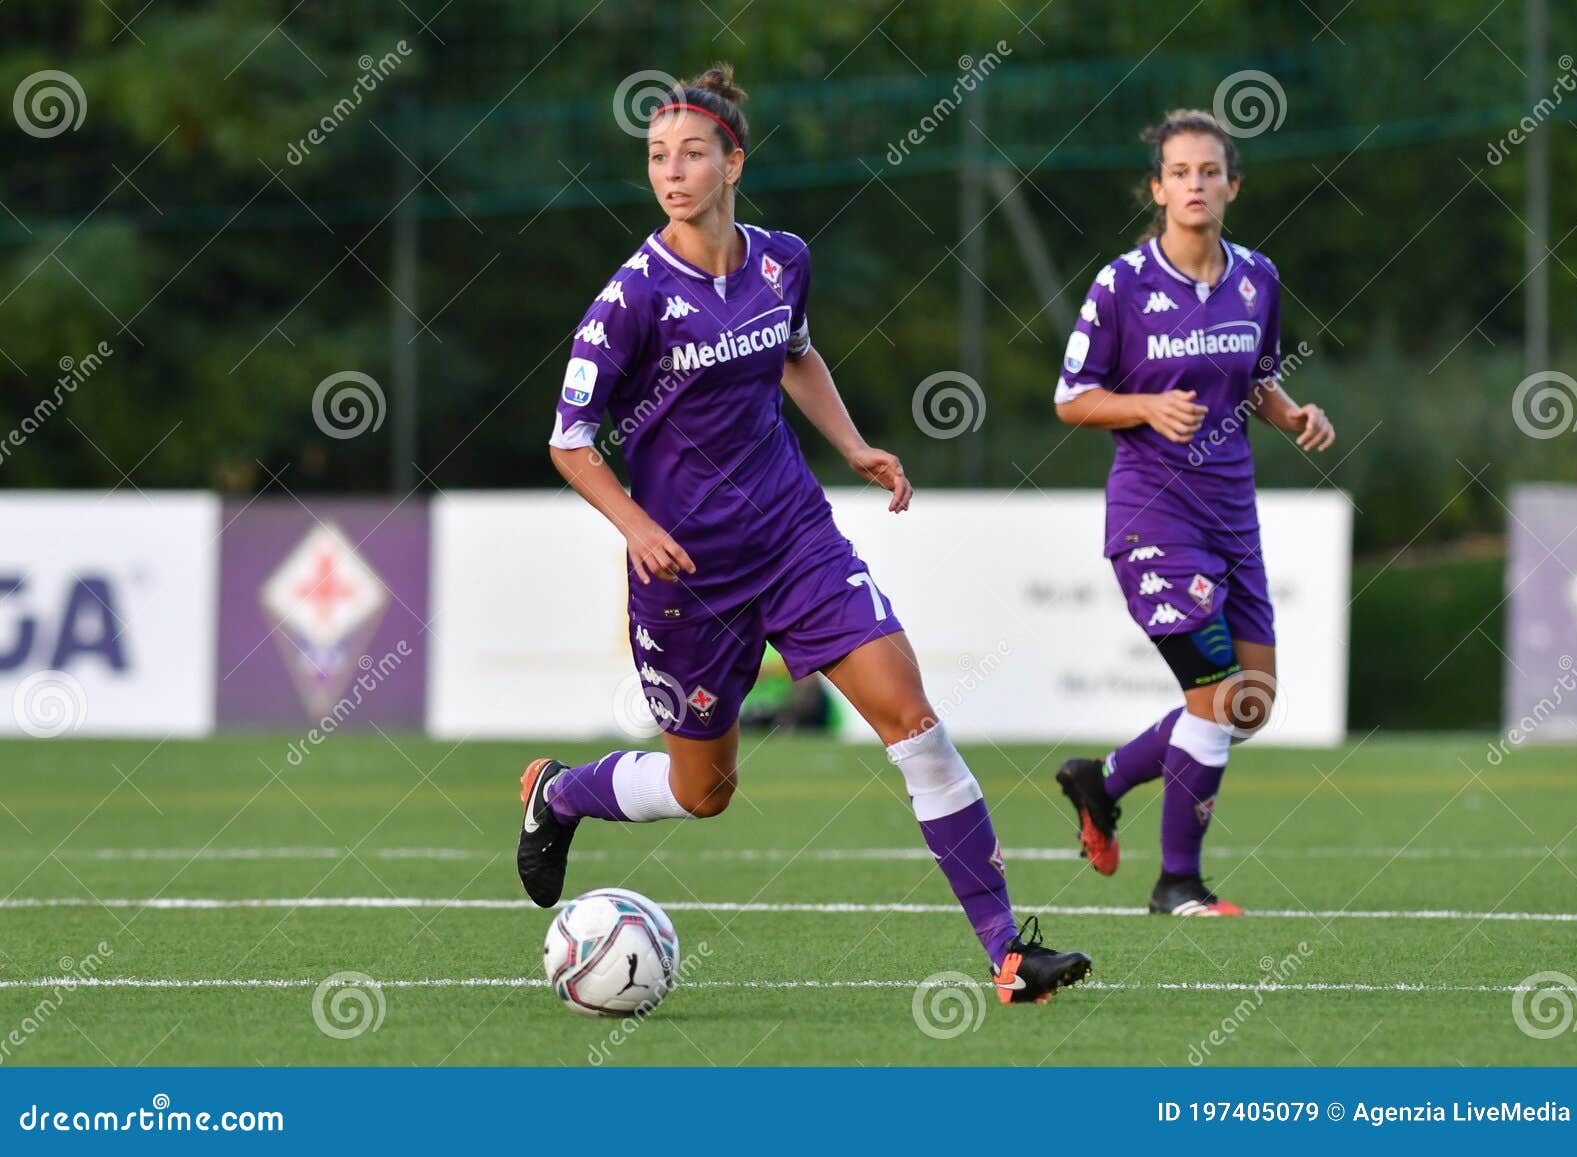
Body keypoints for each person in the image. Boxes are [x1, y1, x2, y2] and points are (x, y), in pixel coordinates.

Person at [522, 63, 1090, 1002]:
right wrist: (635, 522)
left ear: (732, 162)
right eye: (658, 156)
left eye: (692, 154)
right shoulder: (631, 298)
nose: (672, 171)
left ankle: (1007, 952)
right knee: (704, 791)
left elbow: (795, 353)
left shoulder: (781, 259)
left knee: (914, 724)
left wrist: (856, 446)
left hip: (794, 538)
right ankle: (561, 791)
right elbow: (569, 439)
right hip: (689, 576)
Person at [1050, 109, 1335, 916]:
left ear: (1232, 185)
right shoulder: (1122, 284)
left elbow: (1259, 381)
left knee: (1250, 703)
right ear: (1158, 188)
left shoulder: (1258, 278)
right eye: (1179, 173)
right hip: (1154, 517)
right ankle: (1178, 882)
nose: (1195, 185)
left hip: (1232, 514)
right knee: (1214, 694)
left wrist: (1294, 415)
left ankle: (1101, 781)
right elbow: (1071, 399)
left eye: (1210, 171)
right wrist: (1142, 405)